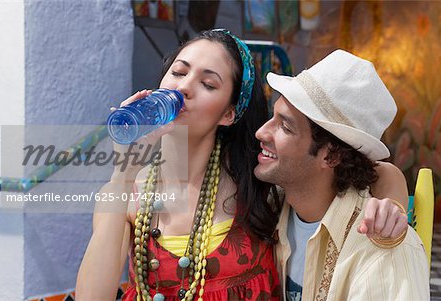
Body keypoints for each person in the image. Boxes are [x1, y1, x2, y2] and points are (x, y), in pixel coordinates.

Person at [76, 31, 409, 301]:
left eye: (208, 84)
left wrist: (392, 206)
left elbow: (379, 171)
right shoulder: (124, 193)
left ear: (228, 113)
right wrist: (123, 170)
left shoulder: (259, 179)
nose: (184, 88)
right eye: (178, 72)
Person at [254, 49, 430, 300]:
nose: (261, 132)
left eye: (285, 126)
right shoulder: (269, 209)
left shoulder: (382, 246)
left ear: (331, 156)